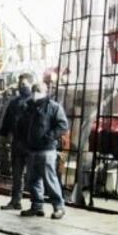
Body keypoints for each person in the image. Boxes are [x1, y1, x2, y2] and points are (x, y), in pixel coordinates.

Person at [19, 85, 69, 220]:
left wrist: (49, 136)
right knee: (32, 179)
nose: (35, 94)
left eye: (39, 91)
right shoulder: (28, 107)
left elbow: (63, 125)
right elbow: (22, 125)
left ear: (46, 92)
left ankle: (59, 206)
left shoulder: (53, 107)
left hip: (46, 150)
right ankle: (37, 206)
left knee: (50, 179)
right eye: (34, 90)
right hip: (32, 149)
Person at [0, 74, 34, 210]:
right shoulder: (14, 103)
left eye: (24, 84)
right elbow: (7, 120)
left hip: (31, 143)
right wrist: (3, 135)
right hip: (17, 142)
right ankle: (15, 201)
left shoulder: (34, 102)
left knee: (33, 175)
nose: (21, 87)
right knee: (17, 174)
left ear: (31, 84)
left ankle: (36, 204)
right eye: (20, 84)